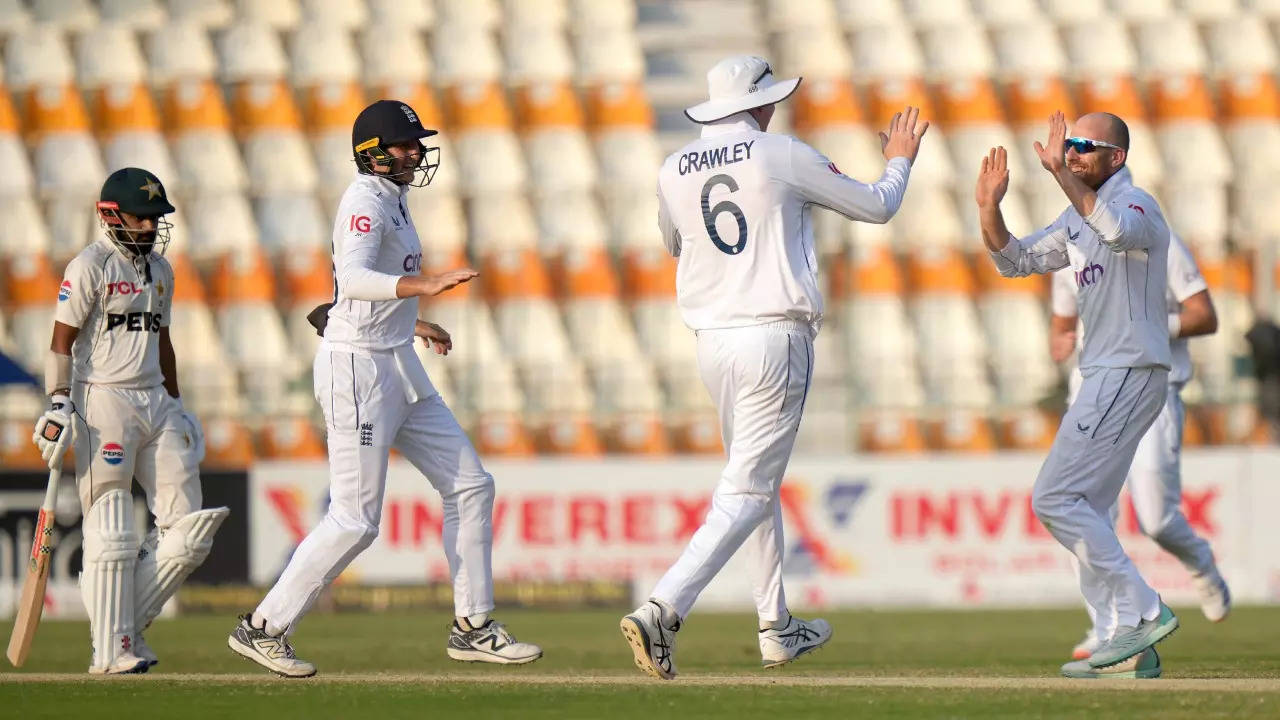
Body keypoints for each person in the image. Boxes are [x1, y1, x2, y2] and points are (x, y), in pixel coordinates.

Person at [619, 55, 927, 679]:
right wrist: (900, 158)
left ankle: (776, 626)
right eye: (770, 101)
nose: (774, 109)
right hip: (773, 337)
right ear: (757, 106)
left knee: (753, 482)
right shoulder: (780, 152)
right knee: (750, 488)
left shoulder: (673, 167)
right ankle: (664, 609)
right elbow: (876, 207)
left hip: (713, 342)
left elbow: (674, 243)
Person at [228, 100, 541, 678]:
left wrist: (414, 321)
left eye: (418, 143)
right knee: (355, 519)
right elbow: (353, 279)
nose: (416, 152)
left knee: (471, 485)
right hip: (359, 373)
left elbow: (358, 296)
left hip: (396, 360)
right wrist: (426, 284)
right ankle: (263, 627)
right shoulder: (364, 200)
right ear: (372, 153)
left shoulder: (394, 200)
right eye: (405, 145)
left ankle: (473, 627)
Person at [976, 111, 1179, 680]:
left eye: (1084, 146)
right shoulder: (1073, 218)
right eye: (1069, 146)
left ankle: (1145, 611)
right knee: (1084, 506)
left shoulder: (1139, 204)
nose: (1070, 153)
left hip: (1127, 370)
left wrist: (1059, 176)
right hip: (1109, 374)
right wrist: (989, 207)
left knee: (1054, 499)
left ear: (1116, 158)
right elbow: (1014, 261)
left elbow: (1116, 232)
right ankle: (1128, 641)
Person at [33, 167, 228, 675]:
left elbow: (162, 340)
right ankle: (111, 650)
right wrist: (58, 403)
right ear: (111, 215)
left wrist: (179, 403)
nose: (149, 228)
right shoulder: (89, 266)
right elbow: (61, 342)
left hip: (155, 401)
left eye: (154, 219)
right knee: (113, 527)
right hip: (104, 403)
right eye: (141, 219)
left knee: (188, 532)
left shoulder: (161, 270)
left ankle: (125, 628)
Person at [1050, 230, 1230, 661]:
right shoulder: (1069, 246)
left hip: (1154, 388)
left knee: (1156, 518)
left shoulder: (1155, 239)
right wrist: (1061, 342)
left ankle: (1200, 563)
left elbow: (1205, 316)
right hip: (1092, 395)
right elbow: (1060, 327)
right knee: (1081, 508)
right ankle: (1107, 627)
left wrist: (1147, 323)